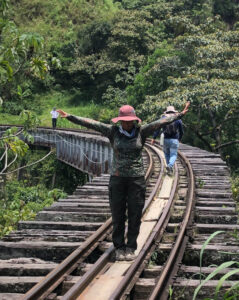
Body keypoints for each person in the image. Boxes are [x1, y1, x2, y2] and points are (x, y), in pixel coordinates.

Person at [57, 102, 189, 261]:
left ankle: (131, 247)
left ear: (134, 120)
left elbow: (161, 122)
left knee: (135, 213)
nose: (126, 124)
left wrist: (180, 115)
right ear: (119, 121)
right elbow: (92, 123)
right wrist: (70, 117)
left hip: (136, 179)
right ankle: (119, 247)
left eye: (129, 121)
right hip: (117, 179)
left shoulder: (142, 131)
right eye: (124, 121)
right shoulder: (113, 131)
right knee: (118, 214)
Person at [151, 105, 184, 175]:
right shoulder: (177, 119)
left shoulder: (163, 118)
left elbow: (157, 129)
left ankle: (169, 168)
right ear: (174, 111)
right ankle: (170, 166)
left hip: (165, 139)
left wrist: (154, 138)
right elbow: (181, 131)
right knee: (174, 155)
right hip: (174, 140)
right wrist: (179, 139)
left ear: (167, 112)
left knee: (166, 154)